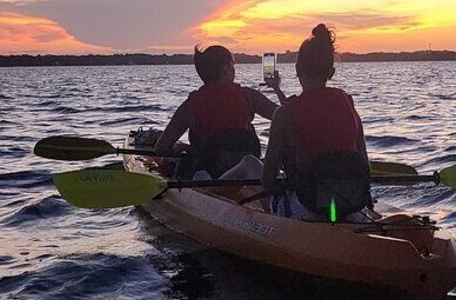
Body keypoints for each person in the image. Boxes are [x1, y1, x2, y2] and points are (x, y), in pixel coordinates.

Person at [260, 24, 372, 221]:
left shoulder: (284, 114)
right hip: (350, 206)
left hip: (306, 207)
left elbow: (268, 179)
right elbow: (365, 164)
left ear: (297, 69)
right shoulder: (349, 104)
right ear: (332, 72)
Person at [153, 45, 287, 180]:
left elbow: (161, 148)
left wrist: (180, 148)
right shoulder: (249, 96)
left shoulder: (190, 105)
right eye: (232, 65)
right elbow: (289, 117)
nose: (234, 70)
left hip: (211, 175)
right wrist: (276, 88)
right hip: (245, 174)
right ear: (225, 69)